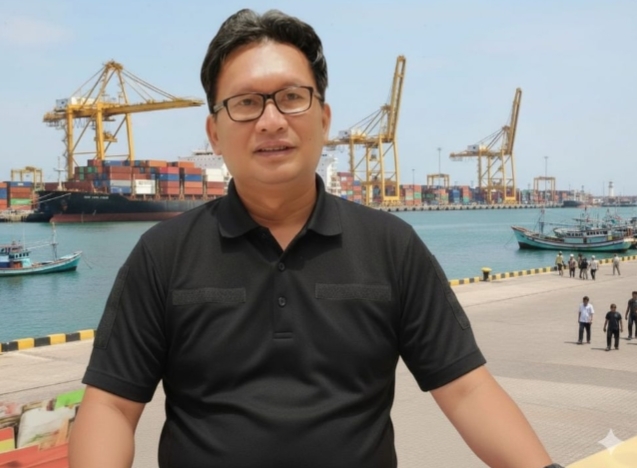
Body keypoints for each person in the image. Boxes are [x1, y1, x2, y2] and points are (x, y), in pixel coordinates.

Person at [68, 9, 559, 468]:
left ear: (324, 119)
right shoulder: (162, 254)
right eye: (245, 103)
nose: (271, 120)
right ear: (214, 133)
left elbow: (467, 390)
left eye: (291, 97)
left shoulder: (392, 247)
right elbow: (110, 405)